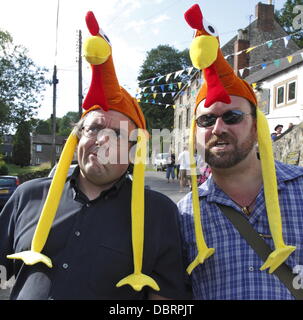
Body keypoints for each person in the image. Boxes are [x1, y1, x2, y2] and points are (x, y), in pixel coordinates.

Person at [0, 12, 190, 300]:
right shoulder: (27, 196)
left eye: (115, 134)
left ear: (133, 149)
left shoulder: (159, 213)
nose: (101, 139)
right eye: (95, 128)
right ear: (77, 137)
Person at [178, 4, 303, 300]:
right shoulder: (183, 216)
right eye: (206, 120)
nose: (218, 127)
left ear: (257, 125)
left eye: (232, 117)